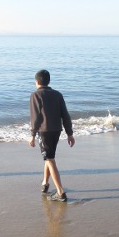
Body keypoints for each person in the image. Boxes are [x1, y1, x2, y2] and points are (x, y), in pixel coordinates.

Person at [29, 70, 75, 201]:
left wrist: (32, 135)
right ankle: (45, 183)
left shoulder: (35, 95)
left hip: (44, 132)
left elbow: (35, 117)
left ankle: (60, 192)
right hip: (56, 131)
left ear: (36, 82)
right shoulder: (57, 94)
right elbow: (65, 115)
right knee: (49, 156)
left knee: (49, 159)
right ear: (48, 81)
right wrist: (69, 133)